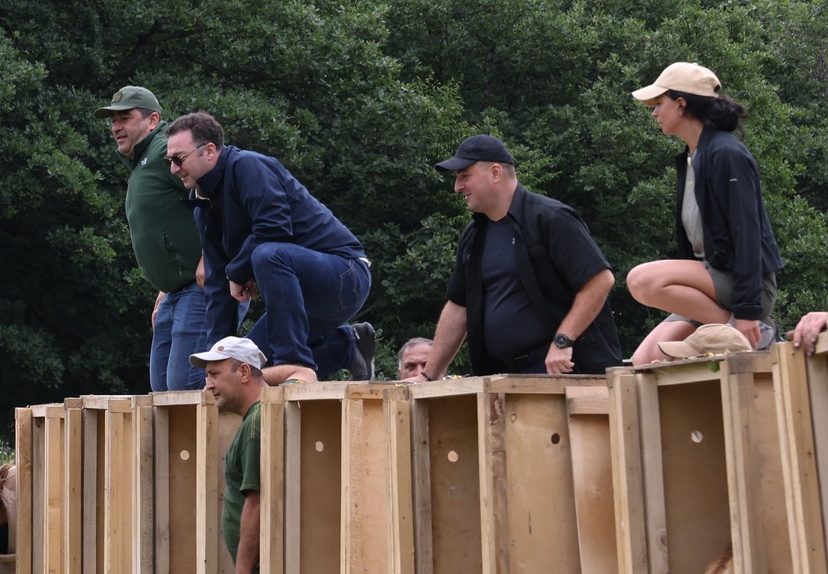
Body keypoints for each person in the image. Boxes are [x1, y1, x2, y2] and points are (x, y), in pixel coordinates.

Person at [163, 111, 377, 381]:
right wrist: (218, 362)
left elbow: (274, 228)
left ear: (209, 151)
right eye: (169, 161)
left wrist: (236, 272)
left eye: (178, 159)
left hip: (345, 275)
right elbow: (218, 288)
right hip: (301, 296)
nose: (173, 169)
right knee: (245, 368)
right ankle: (348, 346)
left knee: (268, 254)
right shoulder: (203, 208)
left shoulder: (248, 166)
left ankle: (294, 364)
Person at [409, 135, 626, 379]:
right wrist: (428, 376)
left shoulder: (551, 218)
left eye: (464, 176)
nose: (457, 187)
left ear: (495, 172)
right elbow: (459, 308)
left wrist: (563, 340)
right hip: (502, 379)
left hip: (566, 373)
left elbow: (600, 280)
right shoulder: (473, 236)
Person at [625, 62, 783, 362]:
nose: (654, 113)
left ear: (681, 104)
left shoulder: (726, 154)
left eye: (658, 104)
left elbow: (747, 234)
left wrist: (747, 311)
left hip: (744, 287)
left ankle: (748, 333)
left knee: (641, 280)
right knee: (640, 363)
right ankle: (736, 331)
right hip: (708, 289)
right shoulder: (691, 157)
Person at [194, 335, 314, 574]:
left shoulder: (256, 425)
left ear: (243, 373)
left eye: (215, 375)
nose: (208, 385)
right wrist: (258, 376)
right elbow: (305, 373)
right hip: (273, 572)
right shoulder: (275, 406)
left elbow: (257, 504)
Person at [98, 85, 212, 393]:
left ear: (152, 120)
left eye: (125, 118)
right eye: (113, 121)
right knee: (162, 394)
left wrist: (211, 258)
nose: (116, 127)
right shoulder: (143, 160)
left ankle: (268, 383)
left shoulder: (164, 151)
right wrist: (166, 286)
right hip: (177, 291)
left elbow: (220, 194)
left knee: (185, 388)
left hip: (200, 288)